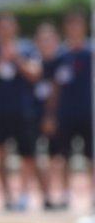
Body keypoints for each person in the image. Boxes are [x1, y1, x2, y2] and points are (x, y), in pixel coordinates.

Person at [0, 12, 45, 211]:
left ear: (15, 28)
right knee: (0, 154)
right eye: (2, 27)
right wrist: (0, 60)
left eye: (9, 26)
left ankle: (24, 195)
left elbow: (35, 74)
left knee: (27, 154)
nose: (5, 30)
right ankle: (7, 196)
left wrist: (16, 58)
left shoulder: (27, 49)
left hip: (23, 110)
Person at [44, 11, 94, 209]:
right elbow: (53, 88)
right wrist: (50, 114)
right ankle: (66, 193)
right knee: (64, 157)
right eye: (71, 25)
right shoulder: (60, 56)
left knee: (92, 156)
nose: (75, 29)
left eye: (78, 25)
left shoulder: (91, 53)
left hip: (89, 112)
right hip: (66, 112)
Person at [34, 21, 64, 209]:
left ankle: (56, 194)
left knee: (56, 158)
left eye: (49, 40)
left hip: (56, 116)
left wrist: (50, 116)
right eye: (42, 40)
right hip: (33, 116)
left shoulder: (61, 61)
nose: (46, 44)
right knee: (35, 157)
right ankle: (44, 195)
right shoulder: (33, 62)